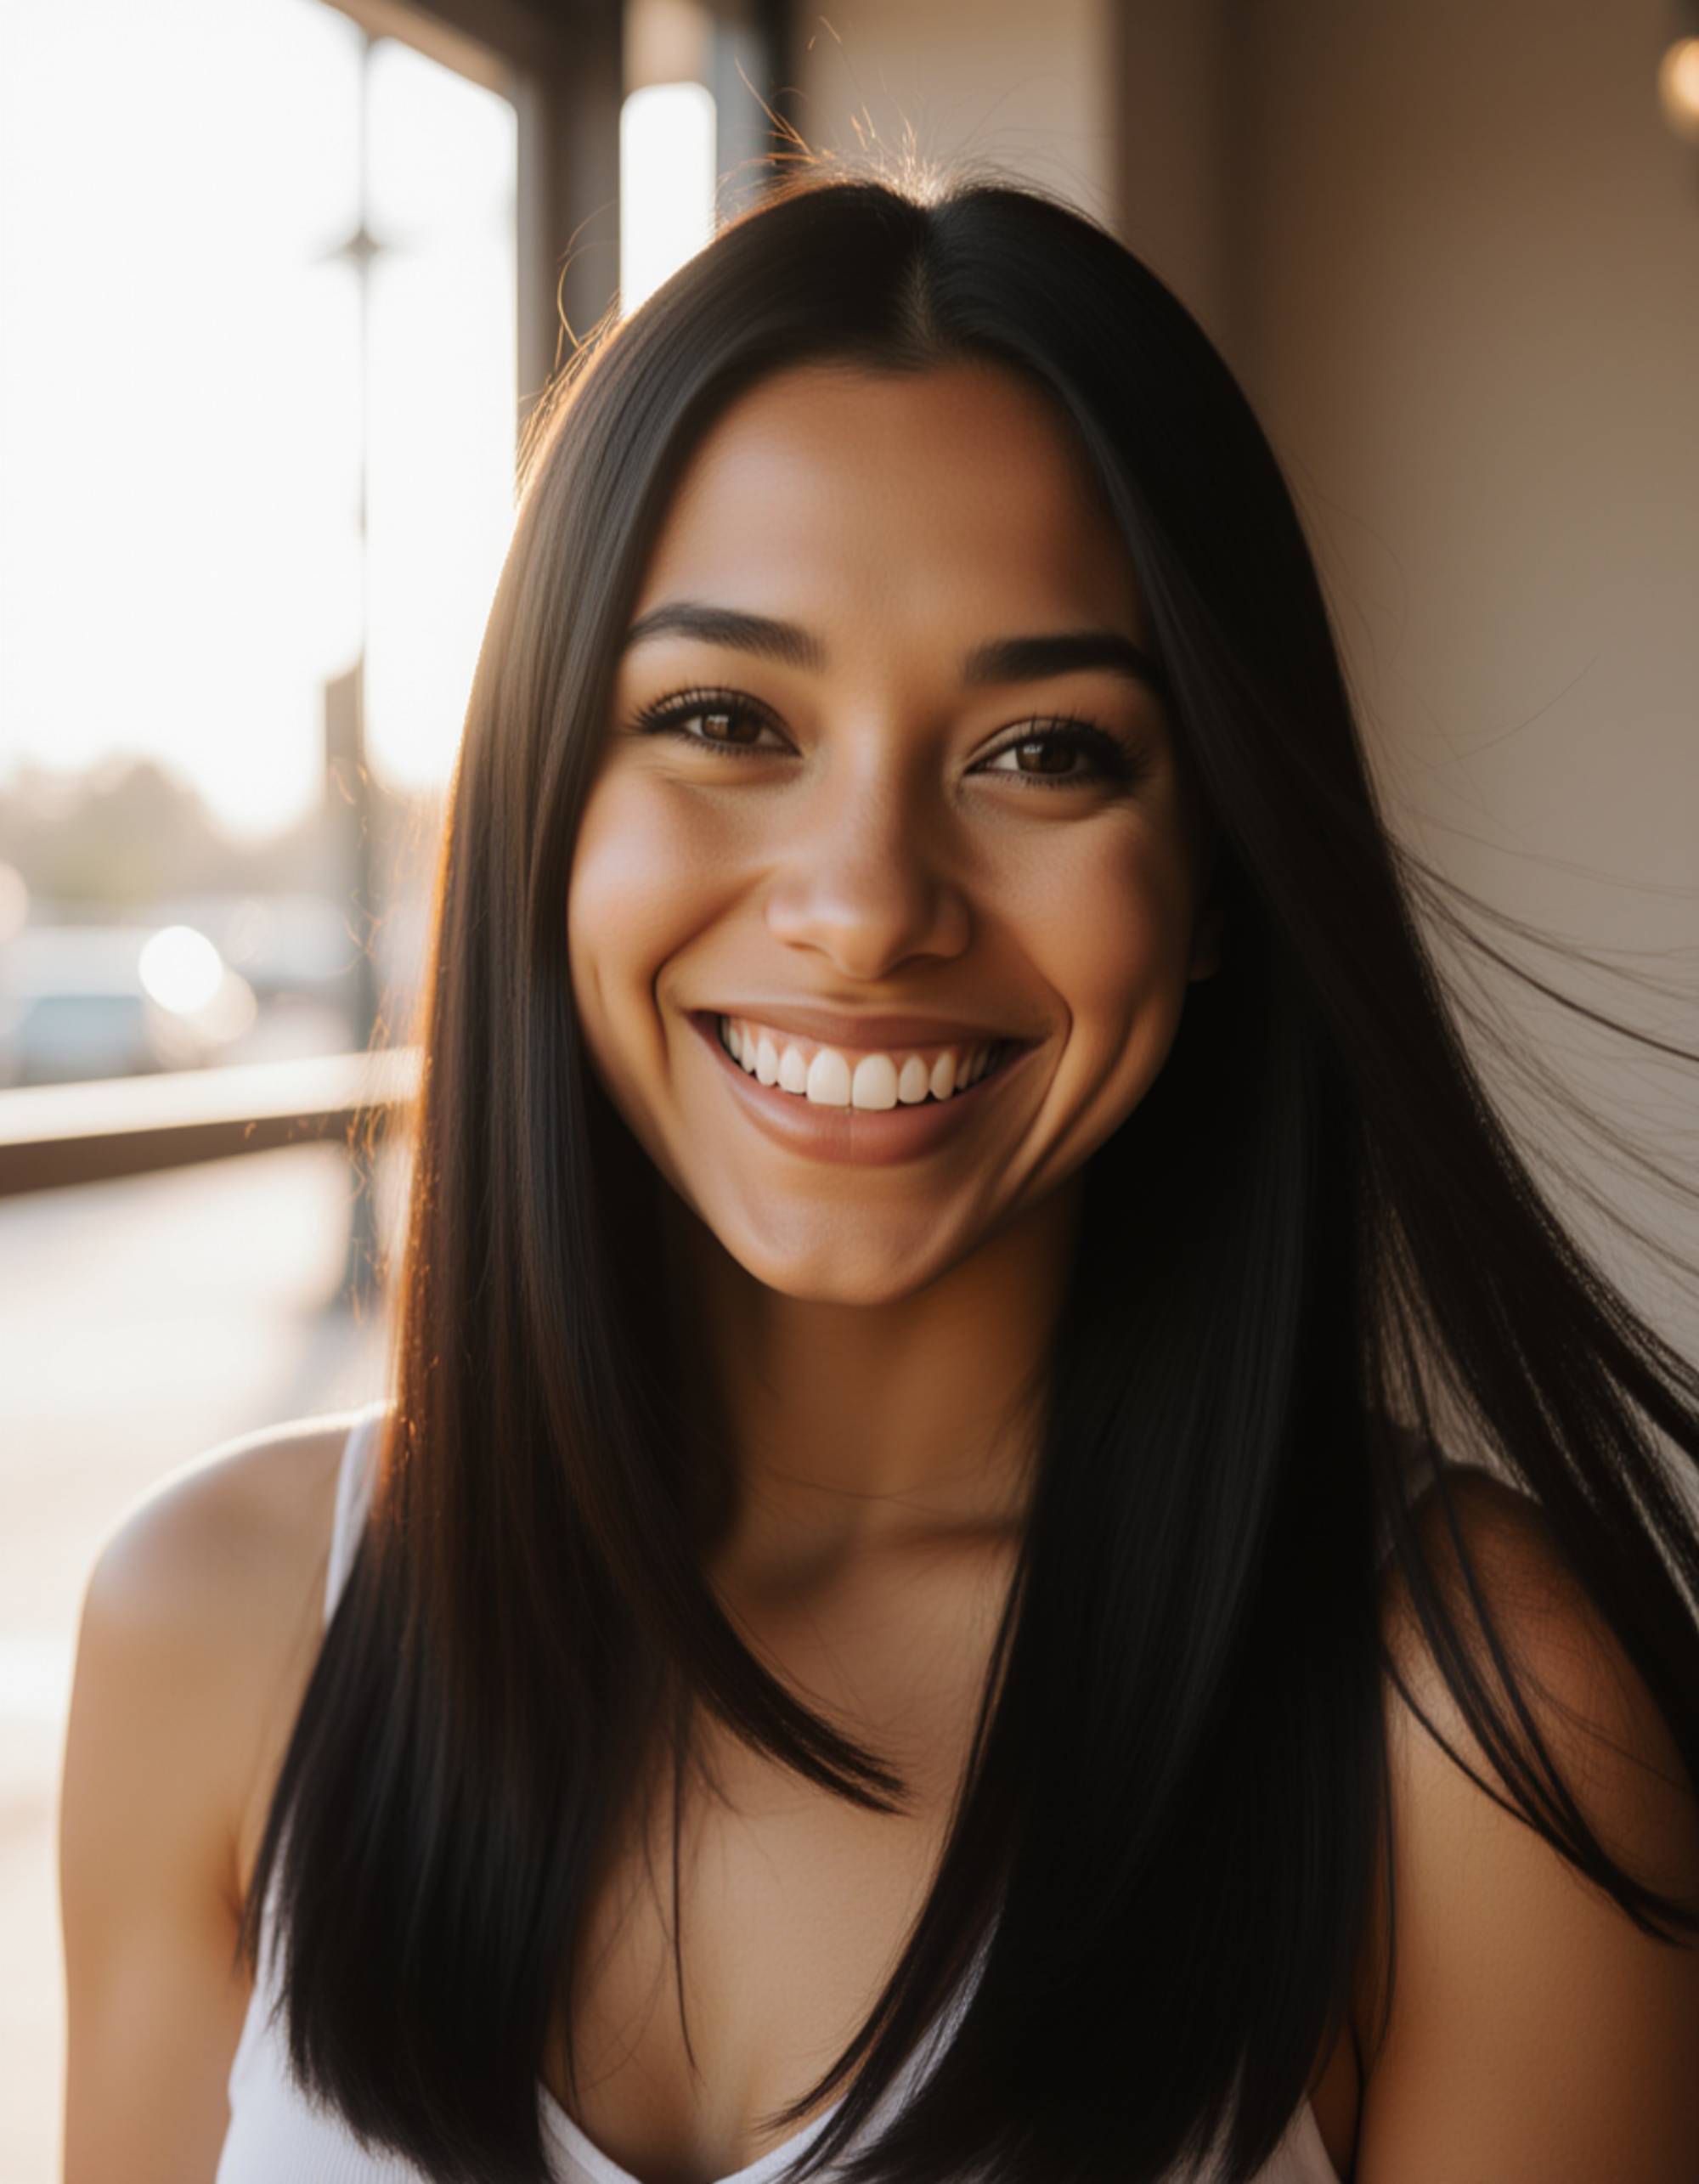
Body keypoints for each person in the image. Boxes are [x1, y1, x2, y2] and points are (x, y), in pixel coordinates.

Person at [58, 165, 1699, 2184]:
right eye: (725, 717)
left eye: (1044, 750)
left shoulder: (1467, 1724)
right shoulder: (217, 1627)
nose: (864, 905)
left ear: (1213, 879)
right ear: (544, 817)